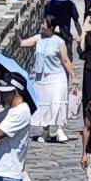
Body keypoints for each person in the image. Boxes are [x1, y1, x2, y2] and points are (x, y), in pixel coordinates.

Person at [18, 14, 75, 142]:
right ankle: (45, 131)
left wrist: (73, 76)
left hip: (56, 76)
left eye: (44, 24)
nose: (42, 27)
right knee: (44, 104)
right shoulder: (38, 38)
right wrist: (17, 32)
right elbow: (21, 43)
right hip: (41, 78)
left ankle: (60, 129)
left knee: (57, 101)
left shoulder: (59, 42)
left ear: (52, 27)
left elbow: (65, 60)